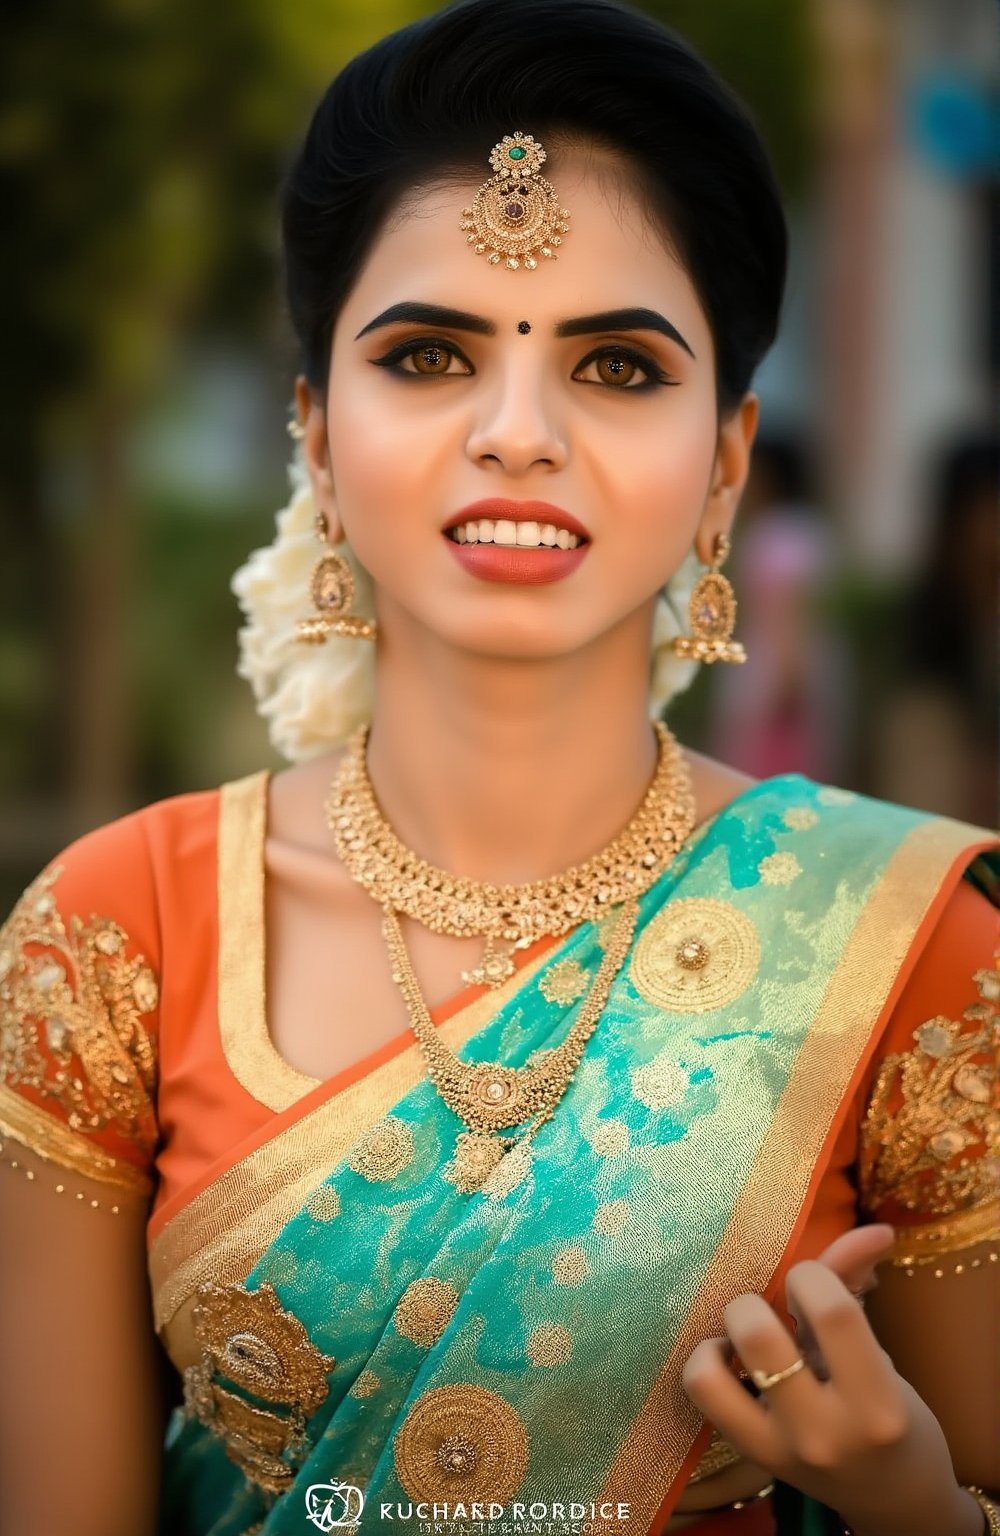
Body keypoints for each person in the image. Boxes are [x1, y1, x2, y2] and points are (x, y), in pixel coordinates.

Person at [0, 3, 996, 1534]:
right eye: (426, 354)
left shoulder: (908, 950)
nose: (518, 433)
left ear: (726, 461)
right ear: (317, 438)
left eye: (614, 365)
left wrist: (913, 1504)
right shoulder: (117, 937)